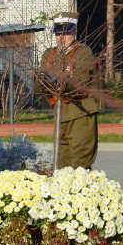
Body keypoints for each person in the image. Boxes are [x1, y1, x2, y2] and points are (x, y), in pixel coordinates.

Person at [35, 11, 101, 169]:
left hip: (80, 112)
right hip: (60, 113)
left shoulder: (83, 52)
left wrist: (57, 80)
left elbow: (80, 81)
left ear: (75, 31)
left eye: (66, 33)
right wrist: (45, 80)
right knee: (61, 164)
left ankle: (84, 193)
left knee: (80, 164)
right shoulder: (49, 55)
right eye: (57, 33)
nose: (61, 37)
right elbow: (37, 88)